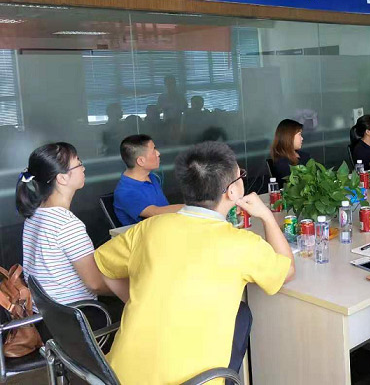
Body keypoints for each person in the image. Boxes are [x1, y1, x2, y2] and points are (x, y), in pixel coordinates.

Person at [94, 141, 295, 385]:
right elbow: (287, 270)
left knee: (241, 314)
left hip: (116, 376)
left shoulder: (150, 228)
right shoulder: (240, 244)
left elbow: (103, 265)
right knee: (242, 316)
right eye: (240, 175)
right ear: (232, 192)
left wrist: (136, 299)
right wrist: (266, 216)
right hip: (193, 381)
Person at [17, 142, 115, 305]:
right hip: (77, 312)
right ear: (62, 178)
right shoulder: (66, 224)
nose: (83, 168)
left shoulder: (34, 214)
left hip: (47, 312)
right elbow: (95, 284)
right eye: (79, 163)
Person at [113, 135, 182, 226]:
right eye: (153, 150)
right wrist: (192, 208)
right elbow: (155, 212)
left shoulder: (151, 177)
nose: (158, 153)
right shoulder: (125, 192)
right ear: (141, 161)